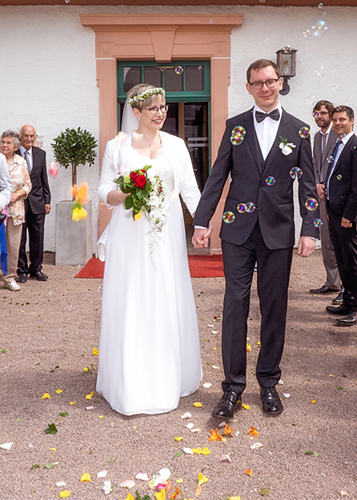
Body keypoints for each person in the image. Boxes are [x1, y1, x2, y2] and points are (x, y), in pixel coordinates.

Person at [192, 59, 319, 419]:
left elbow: (308, 186)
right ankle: (232, 388)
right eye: (257, 83)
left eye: (270, 81)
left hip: (278, 232)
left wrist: (310, 228)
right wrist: (203, 222)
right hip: (238, 231)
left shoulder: (299, 130)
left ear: (280, 83)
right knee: (235, 305)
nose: (265, 87)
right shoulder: (235, 127)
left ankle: (268, 383)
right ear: (248, 88)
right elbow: (217, 177)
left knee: (274, 307)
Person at [96, 84, 204, 415]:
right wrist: (123, 195)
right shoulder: (118, 146)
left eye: (163, 107)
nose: (161, 113)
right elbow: (103, 189)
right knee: (133, 295)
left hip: (167, 234)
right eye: (153, 108)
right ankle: (130, 379)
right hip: (130, 233)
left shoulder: (176, 144)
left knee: (165, 293)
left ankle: (170, 373)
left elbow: (189, 189)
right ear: (136, 111)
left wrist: (202, 225)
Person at [325, 105, 357, 326]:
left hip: (347, 215)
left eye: (342, 120)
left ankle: (355, 308)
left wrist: (350, 214)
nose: (337, 123)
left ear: (352, 121)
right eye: (335, 120)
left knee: (352, 261)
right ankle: (347, 300)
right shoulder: (337, 145)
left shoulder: (355, 146)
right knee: (342, 260)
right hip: (334, 212)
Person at [309, 100, 342, 304]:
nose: (319, 117)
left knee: (341, 242)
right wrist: (316, 183)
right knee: (327, 239)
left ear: (330, 114)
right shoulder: (316, 137)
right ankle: (333, 282)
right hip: (321, 196)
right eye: (316, 113)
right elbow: (314, 164)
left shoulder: (338, 136)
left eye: (322, 113)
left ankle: (346, 288)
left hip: (337, 197)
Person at [16, 125, 51, 283]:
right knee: (20, 239)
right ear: (20, 136)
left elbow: (44, 179)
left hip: (38, 202)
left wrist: (47, 200)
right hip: (19, 204)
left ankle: (36, 269)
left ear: (35, 137)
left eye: (31, 136)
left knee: (37, 237)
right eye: (25, 136)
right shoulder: (13, 155)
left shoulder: (41, 154)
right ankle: (21, 270)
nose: (29, 139)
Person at [0, 131, 32, 291]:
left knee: (13, 245)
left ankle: (10, 278)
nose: (5, 145)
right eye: (3, 142)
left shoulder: (21, 162)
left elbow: (28, 185)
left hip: (15, 211)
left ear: (16, 147)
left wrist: (16, 194)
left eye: (8, 143)